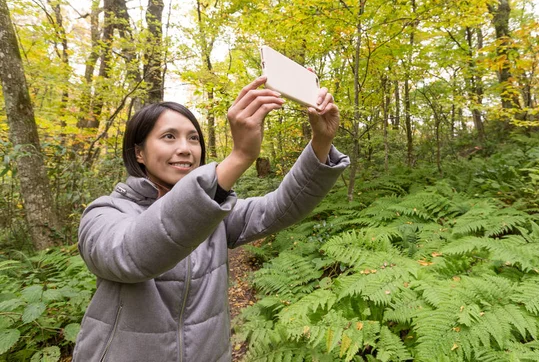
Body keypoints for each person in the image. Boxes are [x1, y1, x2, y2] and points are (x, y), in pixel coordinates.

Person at [72, 76, 350, 362]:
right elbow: (132, 256)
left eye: (193, 138)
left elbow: (279, 207)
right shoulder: (104, 213)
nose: (186, 149)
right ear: (139, 152)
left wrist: (321, 141)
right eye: (169, 136)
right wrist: (240, 156)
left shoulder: (212, 216)